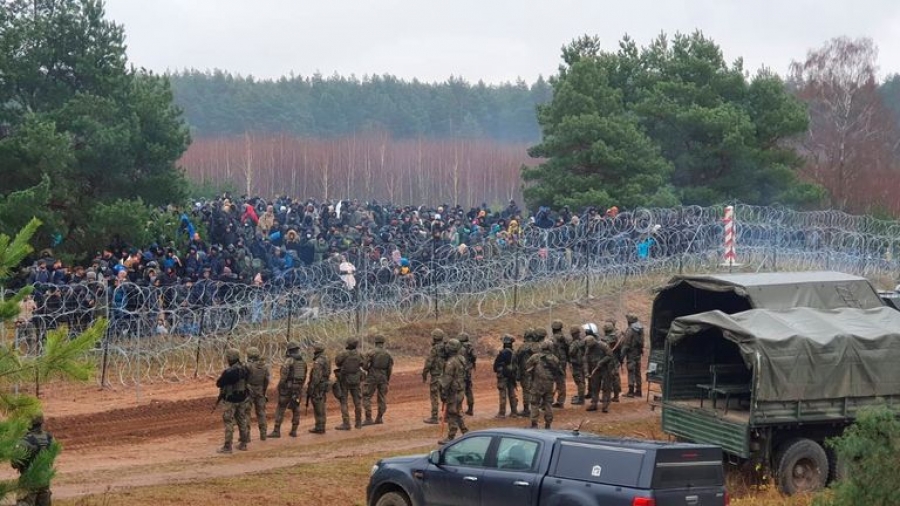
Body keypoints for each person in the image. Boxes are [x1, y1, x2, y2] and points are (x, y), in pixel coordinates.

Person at [12, 413, 54, 506]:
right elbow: (51, 457)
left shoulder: (25, 441)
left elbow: (15, 463)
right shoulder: (49, 438)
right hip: (44, 480)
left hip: (28, 480)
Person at [215, 348, 250, 453]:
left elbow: (219, 383)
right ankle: (243, 444)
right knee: (241, 420)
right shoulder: (245, 369)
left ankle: (227, 447)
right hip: (242, 398)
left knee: (229, 422)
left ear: (230, 359)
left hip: (231, 400)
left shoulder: (229, 372)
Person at [269, 342, 306, 438]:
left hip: (287, 389)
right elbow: (304, 376)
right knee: (296, 408)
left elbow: (283, 377)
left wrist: (280, 387)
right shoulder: (302, 362)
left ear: (289, 351)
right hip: (297, 389)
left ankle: (276, 431)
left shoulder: (288, 361)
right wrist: (299, 387)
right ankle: (294, 431)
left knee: (281, 408)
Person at [526, 340, 562, 429]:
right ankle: (548, 424)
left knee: (534, 403)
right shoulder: (555, 358)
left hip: (537, 384)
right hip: (549, 385)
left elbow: (527, 366)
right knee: (548, 404)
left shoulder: (535, 357)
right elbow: (559, 372)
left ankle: (534, 424)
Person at [438, 339, 468, 445]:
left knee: (451, 413)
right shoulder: (461, 358)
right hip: (460, 389)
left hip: (453, 391)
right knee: (457, 411)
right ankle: (465, 432)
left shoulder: (451, 362)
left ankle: (451, 437)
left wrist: (443, 393)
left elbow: (446, 380)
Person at [362, 334, 393, 426]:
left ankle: (368, 418)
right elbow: (389, 368)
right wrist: (387, 379)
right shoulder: (388, 354)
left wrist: (368, 370)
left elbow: (364, 366)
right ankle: (379, 418)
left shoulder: (371, 353)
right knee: (382, 398)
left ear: (375, 342)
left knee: (366, 396)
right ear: (383, 342)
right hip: (383, 377)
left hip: (372, 376)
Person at [334, 337, 364, 430]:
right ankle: (358, 423)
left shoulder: (343, 354)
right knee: (357, 401)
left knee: (344, 401)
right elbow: (363, 363)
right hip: (356, 380)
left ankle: (346, 423)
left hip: (344, 380)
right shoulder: (359, 354)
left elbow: (337, 363)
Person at [583, 324, 614, 413]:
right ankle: (594, 404)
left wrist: (601, 362)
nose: (589, 348)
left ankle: (605, 406)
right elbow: (585, 360)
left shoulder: (603, 345)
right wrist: (586, 372)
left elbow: (610, 355)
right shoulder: (588, 348)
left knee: (606, 387)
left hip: (606, 369)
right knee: (595, 387)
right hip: (595, 369)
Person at [245, 346, 271, 440]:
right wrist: (264, 391)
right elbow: (267, 380)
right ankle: (263, 435)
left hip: (249, 390)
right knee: (261, 412)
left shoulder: (248, 366)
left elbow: (244, 378)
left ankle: (246, 436)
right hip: (260, 390)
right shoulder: (264, 366)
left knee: (246, 413)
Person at [422, 328, 446, 424]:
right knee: (445, 395)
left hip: (436, 376)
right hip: (445, 375)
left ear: (434, 338)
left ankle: (434, 417)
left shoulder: (434, 349)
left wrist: (424, 374)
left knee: (434, 396)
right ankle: (446, 415)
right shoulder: (446, 347)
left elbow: (429, 362)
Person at [492, 334, 518, 419]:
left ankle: (502, 413)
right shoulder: (514, 352)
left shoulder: (503, 353)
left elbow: (495, 366)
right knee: (512, 394)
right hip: (511, 375)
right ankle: (514, 412)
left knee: (503, 394)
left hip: (503, 375)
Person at [513, 328, 537, 416]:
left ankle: (526, 410)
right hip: (536, 371)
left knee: (526, 390)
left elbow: (515, 358)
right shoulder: (536, 346)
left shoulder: (522, 346)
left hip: (525, 372)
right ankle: (536, 408)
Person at [307, 342, 330, 434]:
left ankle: (320, 427)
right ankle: (321, 426)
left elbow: (316, 376)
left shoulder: (319, 361)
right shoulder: (326, 358)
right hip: (324, 384)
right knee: (321, 404)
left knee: (318, 406)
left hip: (318, 386)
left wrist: (311, 387)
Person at [622, 314, 645, 398]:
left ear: (630, 321)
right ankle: (639, 391)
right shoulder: (640, 328)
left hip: (631, 354)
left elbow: (626, 345)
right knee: (638, 372)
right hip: (638, 353)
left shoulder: (630, 329)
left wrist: (622, 356)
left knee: (631, 372)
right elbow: (642, 342)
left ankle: (631, 392)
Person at [601, 322, 622, 402]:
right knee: (615, 378)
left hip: (608, 361)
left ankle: (605, 397)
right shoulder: (616, 338)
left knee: (606, 378)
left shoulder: (605, 339)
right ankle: (616, 396)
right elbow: (620, 349)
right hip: (615, 360)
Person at [549, 320, 569, 408]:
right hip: (563, 361)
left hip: (553, 361)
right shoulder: (565, 338)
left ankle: (548, 400)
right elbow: (568, 350)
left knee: (550, 381)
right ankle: (561, 401)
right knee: (561, 381)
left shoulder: (552, 339)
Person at [457, 332, 477, 415]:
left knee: (460, 390)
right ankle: (470, 409)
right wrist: (470, 364)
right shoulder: (470, 347)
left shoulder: (458, 347)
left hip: (461, 372)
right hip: (468, 371)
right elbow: (474, 357)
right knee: (469, 390)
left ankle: (459, 409)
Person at [568, 326, 586, 405]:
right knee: (582, 381)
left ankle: (581, 400)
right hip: (583, 364)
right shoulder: (582, 341)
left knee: (579, 382)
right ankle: (581, 396)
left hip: (577, 364)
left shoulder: (575, 343)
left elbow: (571, 352)